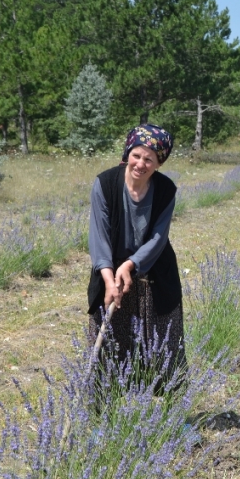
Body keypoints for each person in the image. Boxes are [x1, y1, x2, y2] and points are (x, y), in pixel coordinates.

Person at [87, 123, 185, 393]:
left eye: (149, 159)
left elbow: (158, 238)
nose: (140, 164)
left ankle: (170, 415)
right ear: (127, 153)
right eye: (136, 155)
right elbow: (99, 236)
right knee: (109, 347)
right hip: (111, 275)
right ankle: (102, 415)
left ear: (159, 163)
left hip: (156, 275)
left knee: (164, 345)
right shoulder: (104, 184)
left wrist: (130, 265)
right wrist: (109, 277)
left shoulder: (166, 190)